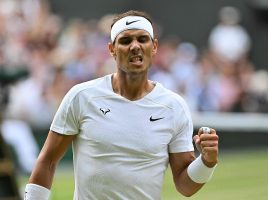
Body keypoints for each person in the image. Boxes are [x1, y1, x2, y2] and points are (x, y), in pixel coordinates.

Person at [24, 10, 219, 200]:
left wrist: (207, 162)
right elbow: (47, 161)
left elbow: (185, 186)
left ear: (154, 47)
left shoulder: (174, 107)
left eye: (142, 39)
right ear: (112, 49)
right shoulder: (82, 96)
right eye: (125, 41)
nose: (135, 46)